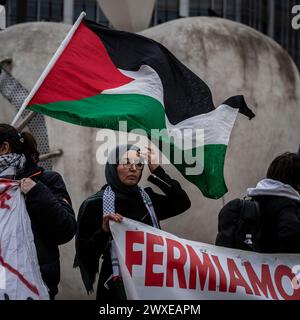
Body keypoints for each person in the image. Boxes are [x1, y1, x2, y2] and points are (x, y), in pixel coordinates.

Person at [74, 144, 191, 301]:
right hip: (116, 286)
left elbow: (182, 202)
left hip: (152, 282)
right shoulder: (96, 204)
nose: (134, 168)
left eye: (138, 164)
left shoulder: (147, 199)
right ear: (113, 167)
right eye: (126, 163)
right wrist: (103, 231)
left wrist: (157, 170)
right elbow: (85, 255)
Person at [0, 124, 76, 299]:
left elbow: (66, 230)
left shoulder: (46, 181)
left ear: (4, 148)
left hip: (34, 285)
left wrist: (37, 192)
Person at [246, 152, 300, 253]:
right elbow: (291, 236)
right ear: (298, 184)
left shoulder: (256, 199)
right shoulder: (287, 206)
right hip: (276, 267)